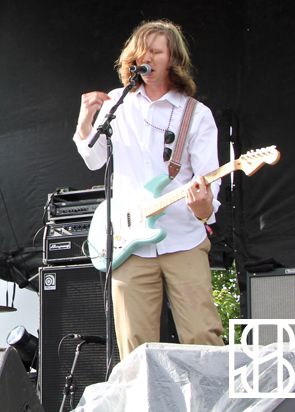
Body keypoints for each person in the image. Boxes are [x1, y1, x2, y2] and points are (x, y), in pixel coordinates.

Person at [74, 19, 224, 359]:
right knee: (135, 348)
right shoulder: (117, 102)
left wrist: (203, 208)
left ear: (172, 59)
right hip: (128, 241)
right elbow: (94, 159)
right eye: (142, 52)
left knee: (202, 334)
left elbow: (207, 187)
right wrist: (85, 120)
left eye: (156, 51)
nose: (148, 57)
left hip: (182, 239)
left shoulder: (195, 115)